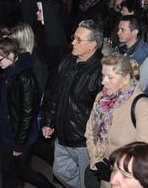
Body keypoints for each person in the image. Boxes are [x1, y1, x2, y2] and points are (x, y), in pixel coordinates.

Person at [42, 20, 103, 188]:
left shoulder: (101, 72)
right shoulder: (68, 61)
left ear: (92, 45)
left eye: (78, 39)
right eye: (73, 37)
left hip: (83, 141)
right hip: (62, 135)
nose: (73, 42)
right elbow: (56, 94)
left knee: (88, 181)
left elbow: (104, 112)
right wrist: (49, 121)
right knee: (60, 171)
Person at [85, 55, 148, 187]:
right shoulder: (101, 98)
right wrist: (97, 160)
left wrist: (118, 170)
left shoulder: (143, 106)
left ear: (126, 78)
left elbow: (147, 155)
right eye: (103, 76)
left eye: (110, 77)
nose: (103, 82)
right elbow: (90, 132)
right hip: (106, 176)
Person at [0, 36, 54, 188]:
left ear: (12, 55)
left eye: (0, 59)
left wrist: (19, 144)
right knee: (8, 170)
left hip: (20, 135)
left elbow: (28, 114)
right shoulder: (9, 69)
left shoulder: (25, 77)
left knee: (23, 171)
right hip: (8, 130)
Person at [116, 15, 148, 93]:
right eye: (118, 29)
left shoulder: (145, 54)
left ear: (134, 32)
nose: (118, 32)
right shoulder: (120, 48)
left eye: (122, 30)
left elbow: (141, 86)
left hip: (132, 100)